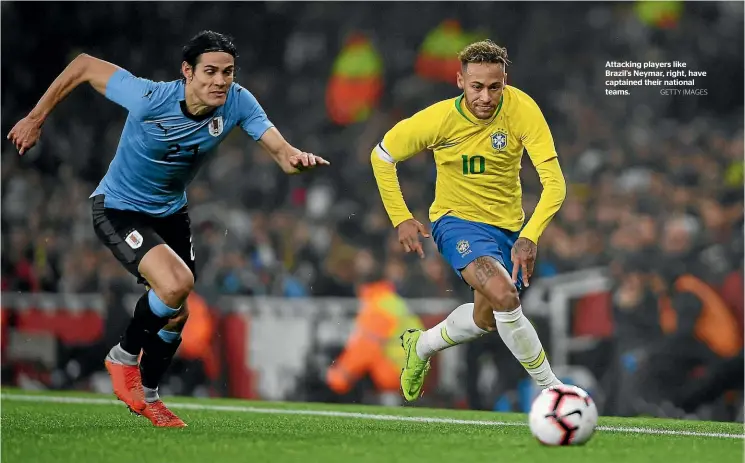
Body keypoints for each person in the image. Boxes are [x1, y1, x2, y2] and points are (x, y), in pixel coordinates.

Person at [8, 30, 329, 426]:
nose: (220, 81)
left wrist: (296, 157)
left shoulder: (238, 101)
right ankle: (122, 357)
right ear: (186, 72)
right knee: (176, 285)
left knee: (177, 314)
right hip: (118, 208)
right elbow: (84, 65)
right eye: (209, 71)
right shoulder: (148, 97)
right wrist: (35, 118)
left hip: (171, 213)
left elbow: (281, 153)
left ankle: (151, 395)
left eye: (227, 72)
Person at [370, 40, 566, 402]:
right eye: (477, 86)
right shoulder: (438, 119)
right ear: (460, 81)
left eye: (495, 87)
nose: (486, 97)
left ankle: (422, 346)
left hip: (508, 229)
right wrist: (401, 217)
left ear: (505, 81)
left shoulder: (523, 110)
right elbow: (382, 156)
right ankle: (554, 391)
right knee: (506, 297)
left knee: (487, 320)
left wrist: (530, 236)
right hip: (456, 223)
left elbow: (555, 185)